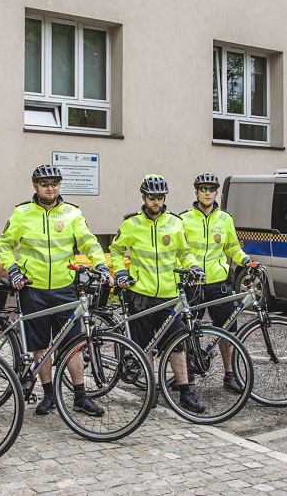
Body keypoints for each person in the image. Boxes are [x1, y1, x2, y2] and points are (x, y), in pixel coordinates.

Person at [0, 164, 112, 417]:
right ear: (35, 186)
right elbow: (5, 246)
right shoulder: (21, 213)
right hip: (33, 289)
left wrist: (102, 264)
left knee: (73, 344)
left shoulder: (72, 213)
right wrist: (14, 270)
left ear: (60, 185)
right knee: (41, 345)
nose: (50, 188)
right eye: (45, 183)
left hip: (64, 289)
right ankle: (49, 394)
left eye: (55, 183)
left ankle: (80, 396)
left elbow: (89, 242)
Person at [110, 175, 206, 411]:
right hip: (141, 295)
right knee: (145, 347)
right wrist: (121, 273)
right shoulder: (131, 224)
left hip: (169, 296)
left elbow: (185, 252)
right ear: (143, 197)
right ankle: (150, 391)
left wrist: (193, 266)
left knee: (177, 345)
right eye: (152, 197)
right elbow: (115, 250)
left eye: (160, 197)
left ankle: (185, 392)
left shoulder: (175, 222)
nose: (156, 201)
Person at [180, 172, 256, 394]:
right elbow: (179, 251)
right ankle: (188, 375)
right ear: (196, 192)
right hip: (193, 284)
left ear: (216, 193)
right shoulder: (183, 219)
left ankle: (229, 375)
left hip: (219, 283)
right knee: (188, 330)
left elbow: (232, 247)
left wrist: (246, 261)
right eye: (203, 189)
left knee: (228, 330)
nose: (207, 193)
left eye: (211, 189)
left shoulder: (225, 218)